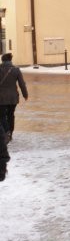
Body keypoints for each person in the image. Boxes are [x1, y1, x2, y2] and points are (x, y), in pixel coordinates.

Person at [0, 53, 29, 181]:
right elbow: (22, 84)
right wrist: (25, 94)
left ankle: (5, 132)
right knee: (11, 115)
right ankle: (10, 133)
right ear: (11, 60)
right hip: (13, 98)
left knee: (2, 116)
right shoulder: (16, 70)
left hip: (1, 99)